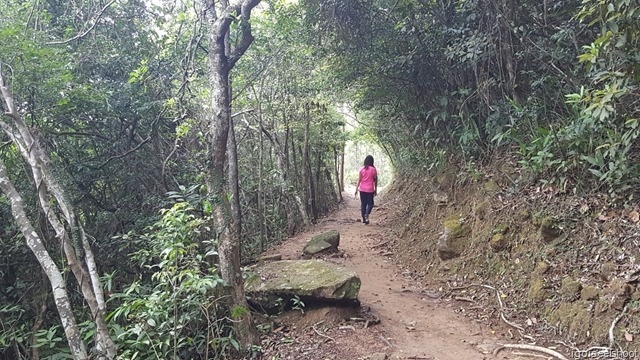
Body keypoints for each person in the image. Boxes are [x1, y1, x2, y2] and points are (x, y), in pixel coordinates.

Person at [354, 155, 377, 224]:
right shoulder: (373, 169)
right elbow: (375, 180)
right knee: (370, 203)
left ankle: (364, 219)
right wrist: (375, 189)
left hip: (362, 189)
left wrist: (356, 189)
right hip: (370, 189)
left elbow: (359, 180)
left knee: (363, 204)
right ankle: (367, 214)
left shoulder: (361, 169)